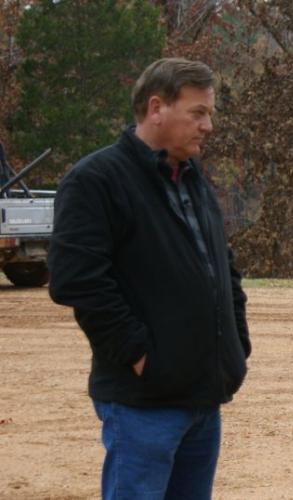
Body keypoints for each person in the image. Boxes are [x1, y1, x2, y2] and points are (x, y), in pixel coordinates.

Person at [48, 58, 251, 500]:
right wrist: (140, 356)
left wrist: (236, 344)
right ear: (157, 108)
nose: (208, 126)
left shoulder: (191, 178)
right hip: (143, 403)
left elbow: (223, 266)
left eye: (210, 113)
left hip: (202, 398)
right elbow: (77, 281)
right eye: (198, 113)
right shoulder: (96, 180)